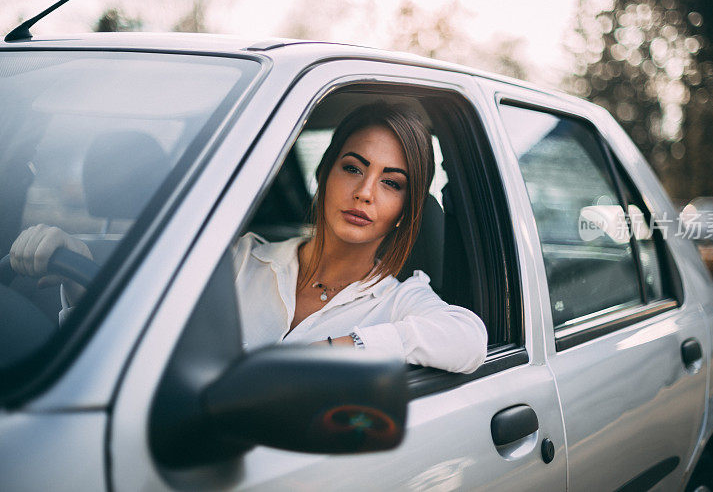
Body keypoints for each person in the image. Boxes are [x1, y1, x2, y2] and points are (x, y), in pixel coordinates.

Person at [10, 103, 487, 374]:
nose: (364, 193)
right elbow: (141, 323)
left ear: (406, 209)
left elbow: (469, 340)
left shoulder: (403, 300)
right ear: (325, 174)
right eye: (353, 168)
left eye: (391, 182)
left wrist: (344, 348)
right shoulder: (236, 260)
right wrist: (74, 260)